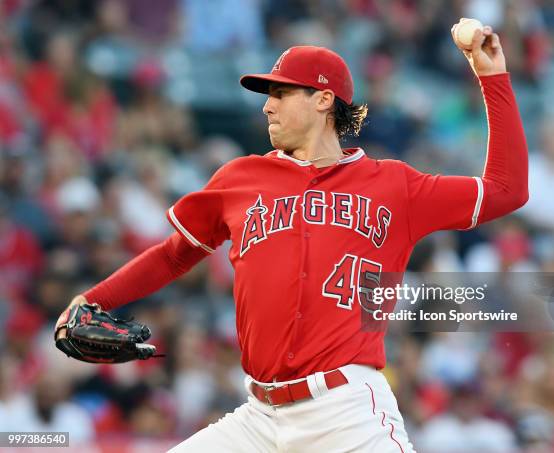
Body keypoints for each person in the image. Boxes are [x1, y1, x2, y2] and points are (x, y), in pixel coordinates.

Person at [56, 19, 528, 452]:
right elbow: (172, 256)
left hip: (347, 412)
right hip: (259, 418)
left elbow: (507, 191)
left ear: (323, 99)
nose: (267, 105)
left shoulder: (395, 186)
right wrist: (92, 298)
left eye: (281, 93)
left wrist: (493, 78)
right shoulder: (240, 178)